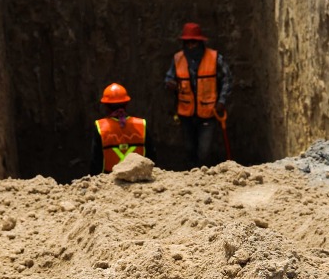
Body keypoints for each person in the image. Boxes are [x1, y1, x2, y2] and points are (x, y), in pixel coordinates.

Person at [165, 22, 232, 168]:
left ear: (200, 42)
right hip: (186, 113)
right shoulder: (178, 59)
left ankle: (204, 173)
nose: (190, 46)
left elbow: (227, 79)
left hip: (208, 112)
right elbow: (169, 78)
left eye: (193, 42)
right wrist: (170, 83)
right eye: (187, 42)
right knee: (189, 147)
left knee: (204, 150)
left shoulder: (214, 58)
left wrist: (221, 101)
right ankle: (191, 171)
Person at [90, 82, 151, 174]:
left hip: (109, 179)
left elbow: (95, 160)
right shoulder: (141, 124)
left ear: (106, 106)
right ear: (126, 104)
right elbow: (151, 155)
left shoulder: (101, 127)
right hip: (139, 177)